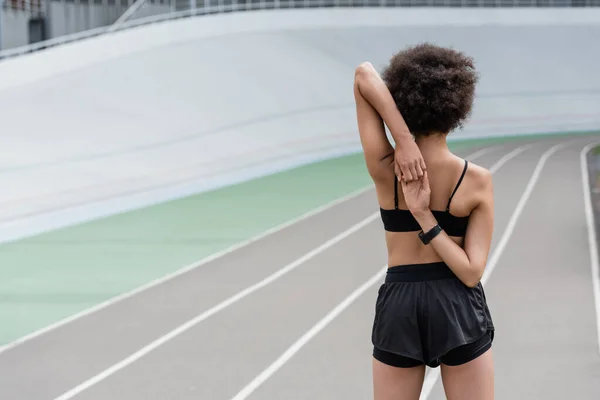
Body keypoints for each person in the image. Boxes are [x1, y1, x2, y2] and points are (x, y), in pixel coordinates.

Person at [353, 43, 495, 400]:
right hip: (456, 304)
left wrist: (401, 139)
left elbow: (363, 76)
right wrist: (429, 221)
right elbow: (470, 272)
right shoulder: (476, 180)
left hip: (401, 300)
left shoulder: (388, 170)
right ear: (458, 107)